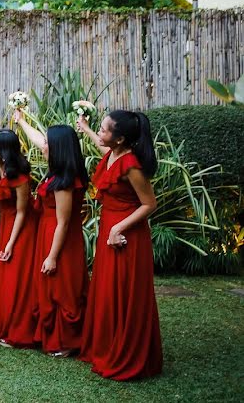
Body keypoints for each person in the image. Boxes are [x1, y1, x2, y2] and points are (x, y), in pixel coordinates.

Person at [78, 110, 163, 380]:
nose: (100, 134)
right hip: (110, 230)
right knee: (107, 290)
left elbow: (150, 204)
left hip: (127, 236)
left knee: (124, 293)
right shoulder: (113, 153)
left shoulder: (132, 165)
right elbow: (100, 144)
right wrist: (87, 129)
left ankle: (127, 352)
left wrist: (118, 227)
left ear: (120, 138)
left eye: (104, 130)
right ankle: (106, 345)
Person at [15, 111, 89, 358]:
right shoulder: (57, 173)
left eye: (47, 142)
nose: (42, 145)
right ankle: (52, 337)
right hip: (47, 234)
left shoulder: (65, 181)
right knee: (49, 286)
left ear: (57, 148)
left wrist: (52, 256)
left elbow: (64, 223)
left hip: (61, 240)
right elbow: (38, 139)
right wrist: (22, 121)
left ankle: (66, 340)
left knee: (62, 287)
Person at [0, 129, 39, 348]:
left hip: (23, 228)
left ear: (4, 151)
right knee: (6, 278)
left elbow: (22, 212)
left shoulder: (19, 176)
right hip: (7, 224)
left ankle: (20, 331)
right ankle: (6, 325)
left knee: (19, 278)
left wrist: (10, 242)